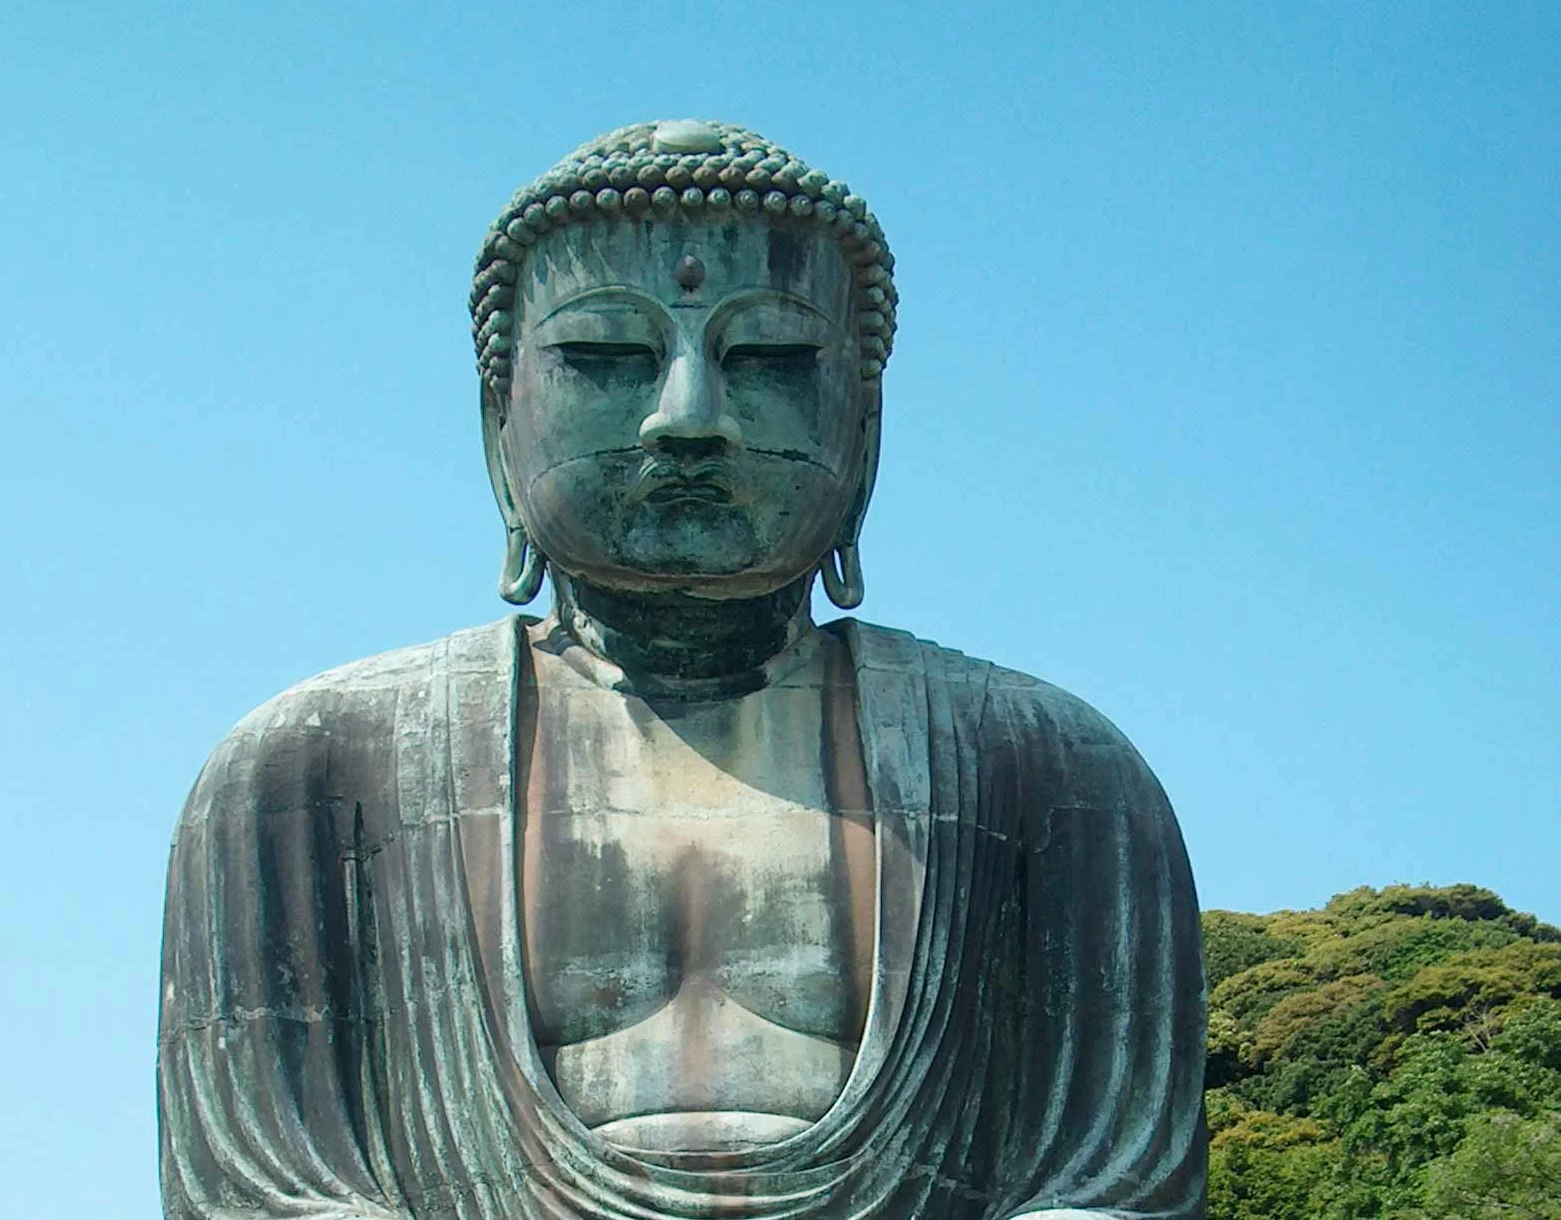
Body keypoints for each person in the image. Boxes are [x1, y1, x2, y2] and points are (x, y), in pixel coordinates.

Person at [158, 120, 1207, 1219]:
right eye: (608, 358)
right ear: (496, 425)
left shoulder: (1048, 771)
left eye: (770, 360)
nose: (689, 417)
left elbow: (1114, 1194)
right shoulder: (312, 776)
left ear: (866, 424)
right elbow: (264, 1198)